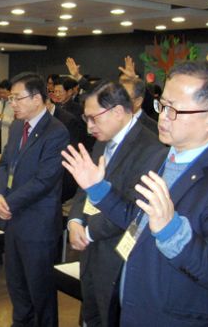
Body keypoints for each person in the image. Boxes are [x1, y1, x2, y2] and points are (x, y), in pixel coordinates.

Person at [62, 61, 208, 326]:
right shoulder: (163, 157)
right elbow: (136, 219)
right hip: (136, 308)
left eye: (174, 110)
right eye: (162, 105)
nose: (163, 117)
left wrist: (173, 232)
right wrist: (99, 189)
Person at [67, 81, 165, 327]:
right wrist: (76, 220)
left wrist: (89, 232)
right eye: (86, 118)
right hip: (89, 249)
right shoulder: (102, 139)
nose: (89, 127)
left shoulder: (151, 149)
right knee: (90, 316)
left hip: (118, 255)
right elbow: (85, 184)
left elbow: (135, 210)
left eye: (94, 118)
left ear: (118, 112)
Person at [0, 72, 69, 327]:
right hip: (13, 220)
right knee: (16, 285)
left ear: (37, 99)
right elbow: (3, 165)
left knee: (41, 290)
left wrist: (9, 202)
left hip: (38, 224)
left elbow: (45, 180)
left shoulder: (56, 132)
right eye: (11, 98)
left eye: (17, 98)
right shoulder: (16, 126)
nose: (12, 103)